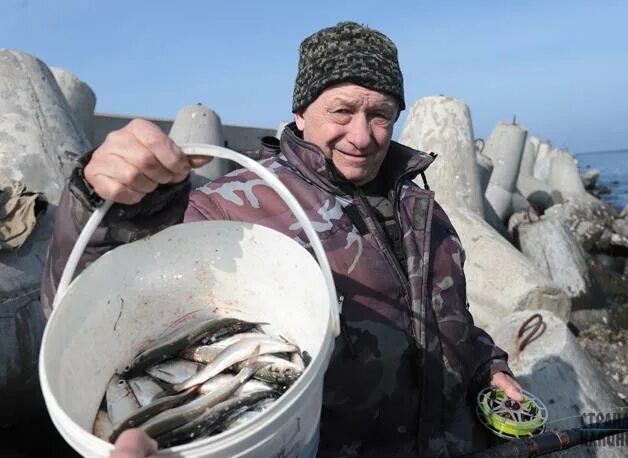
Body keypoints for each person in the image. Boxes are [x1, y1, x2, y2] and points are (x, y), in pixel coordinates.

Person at [41, 21, 522, 457]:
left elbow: (450, 319)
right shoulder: (234, 206)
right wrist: (107, 202)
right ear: (299, 113)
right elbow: (98, 306)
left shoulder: (421, 205)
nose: (362, 135)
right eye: (341, 110)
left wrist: (487, 367)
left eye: (381, 114)